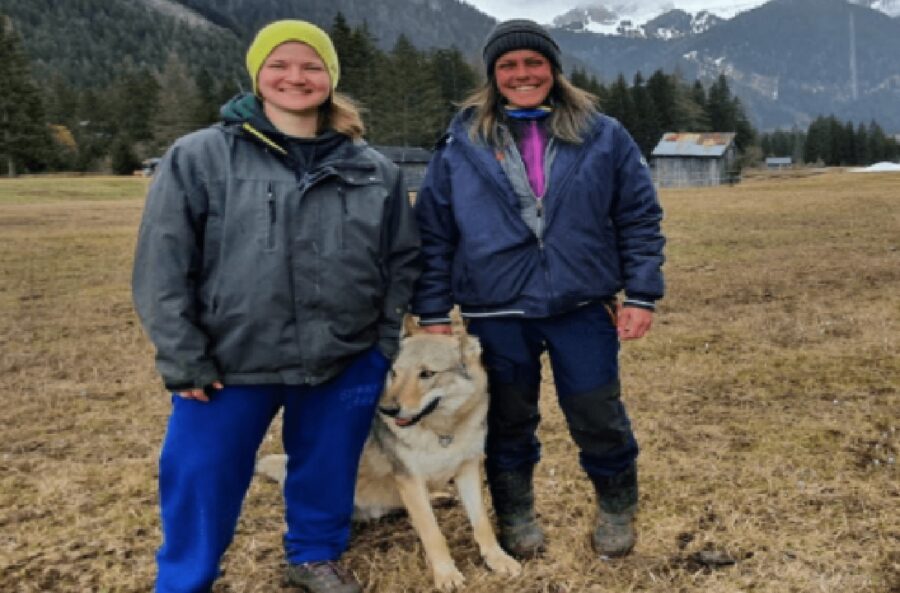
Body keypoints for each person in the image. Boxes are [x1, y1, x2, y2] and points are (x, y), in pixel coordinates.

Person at [132, 20, 420, 593]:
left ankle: (313, 555)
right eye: (280, 65)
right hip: (229, 359)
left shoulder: (374, 170)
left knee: (328, 465)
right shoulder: (199, 157)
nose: (296, 76)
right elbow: (162, 265)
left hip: (344, 355)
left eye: (312, 66)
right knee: (200, 473)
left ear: (331, 80)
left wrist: (381, 345)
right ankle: (186, 578)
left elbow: (401, 261)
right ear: (258, 76)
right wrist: (184, 356)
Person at [412, 19, 665, 560]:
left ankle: (617, 507)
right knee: (507, 418)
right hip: (495, 308)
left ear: (553, 69)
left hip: (581, 304)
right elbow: (433, 232)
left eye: (533, 63)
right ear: (493, 74)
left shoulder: (604, 134)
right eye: (508, 65)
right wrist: (432, 311)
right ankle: (516, 513)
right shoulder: (461, 141)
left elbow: (639, 216)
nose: (522, 74)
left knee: (597, 412)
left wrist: (641, 294)